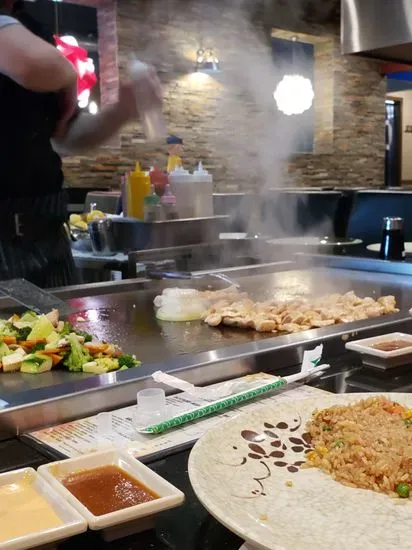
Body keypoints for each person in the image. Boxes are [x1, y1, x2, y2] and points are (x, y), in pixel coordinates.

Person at [0, 0, 162, 287]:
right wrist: (66, 73)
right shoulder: (29, 48)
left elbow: (65, 137)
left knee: (67, 319)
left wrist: (123, 110)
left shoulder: (31, 28)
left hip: (48, 237)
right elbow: (36, 66)